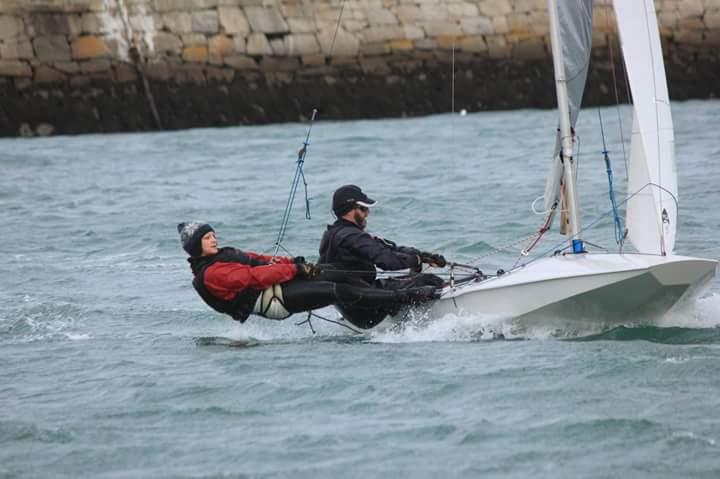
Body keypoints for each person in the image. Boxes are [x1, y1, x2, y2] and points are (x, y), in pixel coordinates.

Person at [177, 221, 437, 325]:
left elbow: (258, 259)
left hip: (275, 285)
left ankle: (381, 295)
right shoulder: (211, 274)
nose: (214, 240)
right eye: (207, 238)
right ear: (195, 247)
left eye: (213, 235)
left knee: (332, 271)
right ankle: (402, 299)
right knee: (335, 291)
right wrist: (295, 270)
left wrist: (294, 261)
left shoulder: (222, 254)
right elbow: (255, 277)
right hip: (271, 302)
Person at [318, 185, 447, 328]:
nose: (367, 213)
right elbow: (388, 261)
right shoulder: (352, 236)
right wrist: (415, 260)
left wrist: (422, 256)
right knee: (428, 280)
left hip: (351, 308)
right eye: (363, 209)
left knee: (408, 279)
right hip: (367, 309)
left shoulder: (332, 234)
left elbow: (388, 248)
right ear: (350, 211)